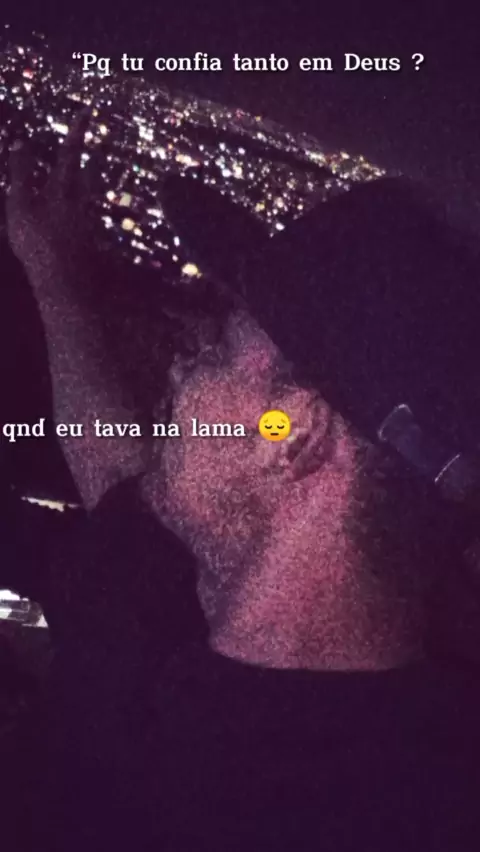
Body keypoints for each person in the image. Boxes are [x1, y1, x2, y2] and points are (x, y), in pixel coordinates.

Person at [6, 112, 480, 852]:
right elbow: (115, 472)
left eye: (220, 345)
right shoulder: (193, 586)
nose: (182, 361)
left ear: (294, 436)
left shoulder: (381, 817)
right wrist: (52, 274)